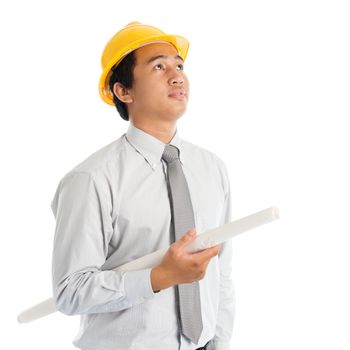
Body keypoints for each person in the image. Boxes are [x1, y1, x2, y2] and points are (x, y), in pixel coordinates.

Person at [51, 21, 235, 350]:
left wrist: (219, 342)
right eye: (159, 66)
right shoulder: (91, 179)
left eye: (179, 65)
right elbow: (70, 291)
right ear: (124, 91)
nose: (177, 76)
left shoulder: (212, 168)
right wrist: (159, 276)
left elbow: (222, 270)